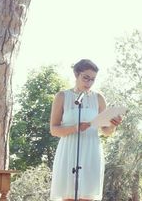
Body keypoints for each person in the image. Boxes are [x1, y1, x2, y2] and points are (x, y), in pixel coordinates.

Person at [49, 59, 122, 201]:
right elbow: (54, 129)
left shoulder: (99, 98)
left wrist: (113, 124)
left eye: (92, 80)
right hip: (69, 150)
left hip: (91, 151)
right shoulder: (62, 96)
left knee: (87, 197)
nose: (88, 83)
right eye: (85, 78)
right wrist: (75, 127)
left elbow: (106, 132)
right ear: (76, 74)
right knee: (68, 196)